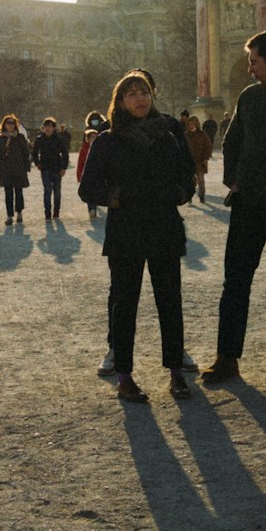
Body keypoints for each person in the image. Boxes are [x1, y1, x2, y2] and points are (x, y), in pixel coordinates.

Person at [78, 73, 192, 402]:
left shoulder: (167, 135)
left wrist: (180, 192)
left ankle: (176, 372)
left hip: (164, 227)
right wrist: (117, 197)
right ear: (120, 101)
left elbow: (186, 174)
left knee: (170, 302)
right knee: (124, 305)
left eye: (144, 92)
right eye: (132, 94)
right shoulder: (108, 141)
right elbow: (87, 188)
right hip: (127, 230)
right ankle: (125, 375)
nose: (140, 98)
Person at [201, 27, 266, 386]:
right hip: (248, 203)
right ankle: (227, 357)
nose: (250, 69)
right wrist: (234, 180)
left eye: (254, 61)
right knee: (236, 282)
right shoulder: (249, 97)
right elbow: (231, 143)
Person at [0, 113, 31, 224]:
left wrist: (26, 166)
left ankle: (19, 212)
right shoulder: (0, 138)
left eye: (12, 123)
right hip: (6, 169)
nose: (10, 125)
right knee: (8, 193)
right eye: (8, 123)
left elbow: (26, 153)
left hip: (18, 168)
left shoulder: (20, 137)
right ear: (4, 125)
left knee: (19, 192)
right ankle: (9, 215)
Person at [32, 116, 70, 220]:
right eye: (46, 126)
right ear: (43, 127)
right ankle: (47, 213)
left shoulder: (59, 139)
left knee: (57, 191)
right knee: (47, 190)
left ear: (54, 128)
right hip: (45, 168)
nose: (47, 128)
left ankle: (56, 211)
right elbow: (34, 153)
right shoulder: (39, 139)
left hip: (57, 168)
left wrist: (63, 167)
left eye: (50, 126)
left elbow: (65, 154)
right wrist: (37, 163)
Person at [185, 114, 213, 203]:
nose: (190, 126)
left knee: (201, 181)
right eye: (189, 124)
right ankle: (189, 196)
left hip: (200, 161)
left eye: (192, 124)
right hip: (189, 162)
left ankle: (202, 195)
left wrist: (206, 158)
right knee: (190, 180)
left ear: (196, 124)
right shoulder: (185, 135)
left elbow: (208, 146)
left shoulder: (202, 134)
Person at [76, 128, 99, 218]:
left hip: (97, 175)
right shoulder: (84, 150)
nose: (94, 139)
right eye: (92, 137)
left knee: (96, 192)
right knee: (89, 192)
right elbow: (80, 164)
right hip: (87, 175)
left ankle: (94, 208)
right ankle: (91, 209)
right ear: (88, 139)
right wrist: (79, 176)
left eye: (95, 137)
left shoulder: (100, 149)